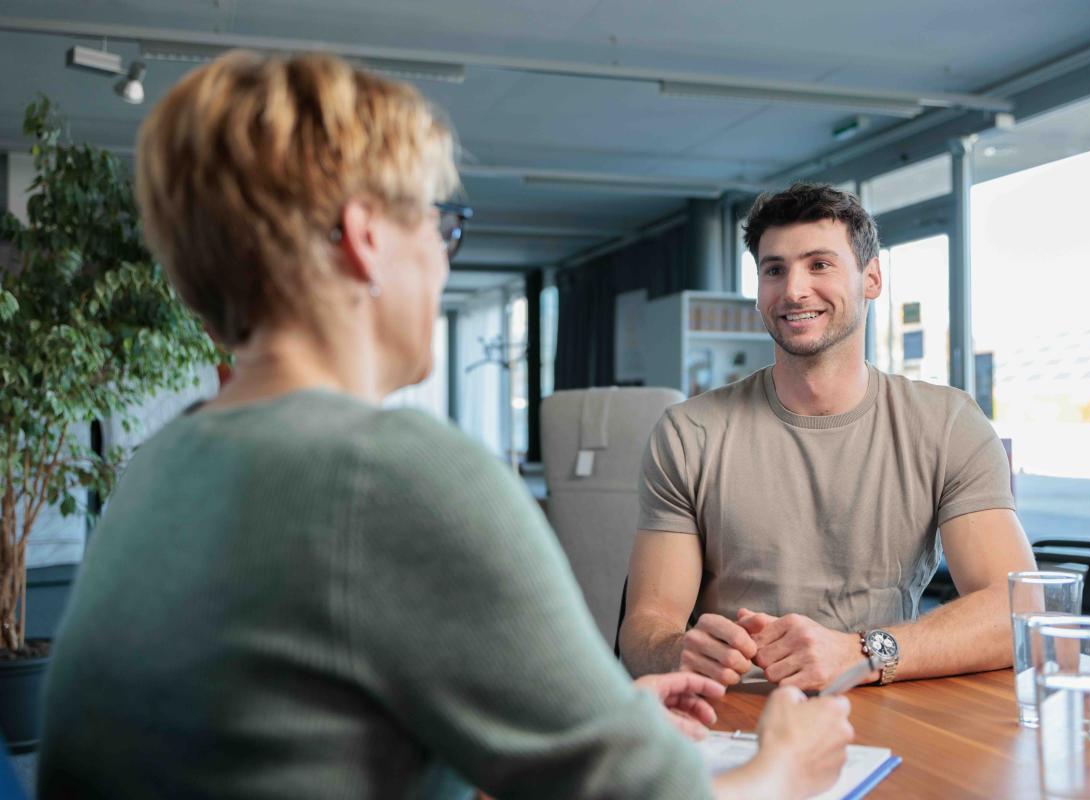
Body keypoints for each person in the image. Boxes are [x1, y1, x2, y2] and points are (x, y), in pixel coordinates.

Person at [37, 53, 853, 800]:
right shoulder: (392, 471)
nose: (441, 259)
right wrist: (784, 768)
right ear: (365, 240)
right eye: (438, 228)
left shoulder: (161, 464)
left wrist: (591, 718)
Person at [619, 182, 1037, 692]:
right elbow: (643, 630)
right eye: (774, 269)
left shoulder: (948, 424)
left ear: (872, 278)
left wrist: (860, 652)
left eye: (819, 265)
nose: (794, 289)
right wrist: (677, 650)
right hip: (732, 712)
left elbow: (1018, 610)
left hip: (886, 701)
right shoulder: (689, 434)